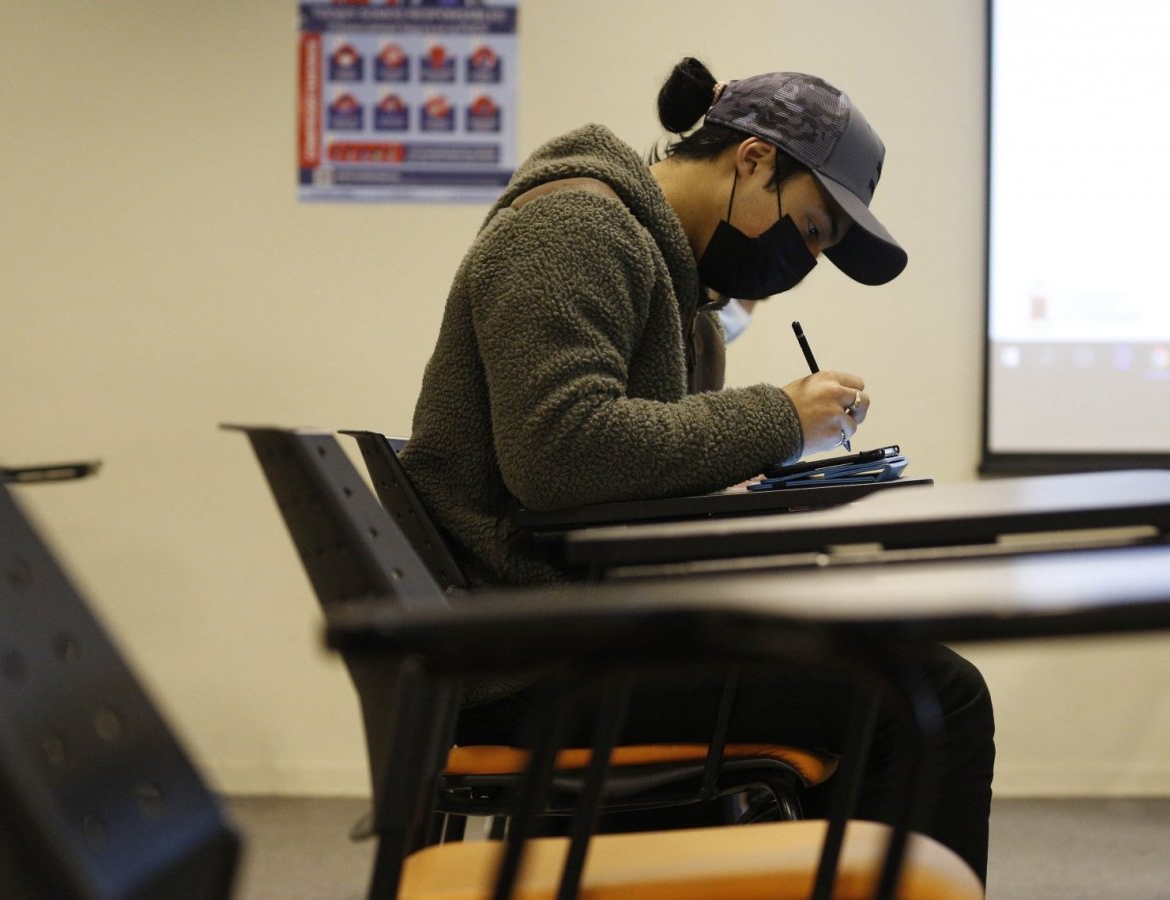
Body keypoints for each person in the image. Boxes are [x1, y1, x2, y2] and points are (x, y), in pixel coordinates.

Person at [399, 57, 995, 882]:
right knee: (931, 696)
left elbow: (626, 459)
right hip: (535, 663)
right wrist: (782, 417)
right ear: (753, 162)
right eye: (813, 229)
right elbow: (560, 450)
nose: (806, 259)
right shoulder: (573, 229)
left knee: (888, 663)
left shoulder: (658, 268)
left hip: (572, 630)